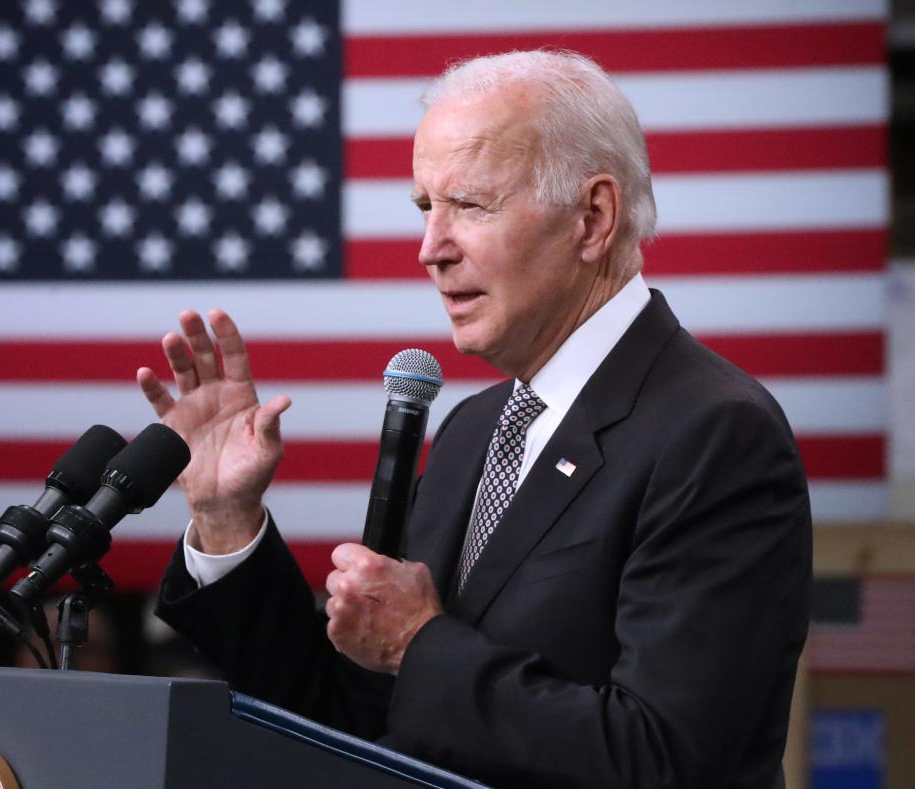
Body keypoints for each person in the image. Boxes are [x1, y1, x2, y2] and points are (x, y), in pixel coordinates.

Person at [138, 51, 812, 788]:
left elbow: (666, 758)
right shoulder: (470, 430)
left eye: (469, 205)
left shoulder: (713, 432)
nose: (430, 249)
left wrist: (418, 643)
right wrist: (228, 518)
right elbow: (359, 722)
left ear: (592, 218)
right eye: (426, 207)